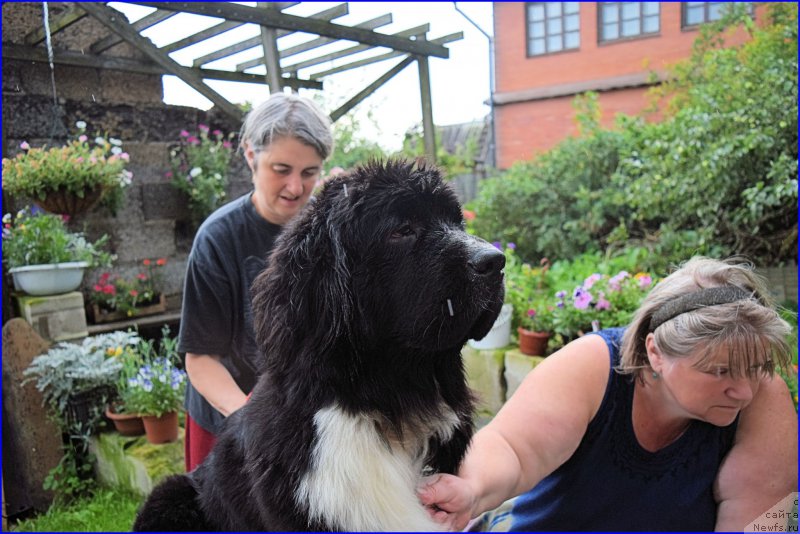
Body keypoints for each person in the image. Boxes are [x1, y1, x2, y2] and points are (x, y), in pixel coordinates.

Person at [419, 257, 797, 531]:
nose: (743, 389)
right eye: (719, 371)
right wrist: (470, 488)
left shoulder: (762, 396)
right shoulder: (593, 365)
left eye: (757, 367)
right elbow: (515, 449)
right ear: (655, 352)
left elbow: (762, 512)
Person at [178, 92, 333, 472]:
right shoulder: (218, 239)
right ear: (251, 155)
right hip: (229, 418)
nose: (296, 188)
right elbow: (200, 360)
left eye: (309, 172)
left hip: (306, 417)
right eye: (281, 169)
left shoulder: (330, 229)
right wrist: (252, 421)